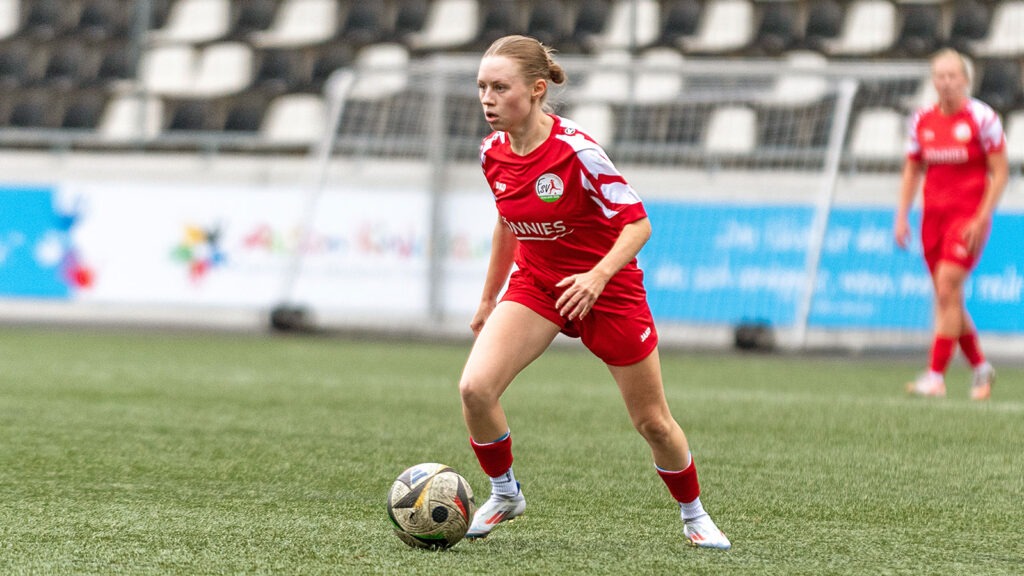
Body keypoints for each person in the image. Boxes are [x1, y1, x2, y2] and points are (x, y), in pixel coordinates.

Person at [458, 35, 730, 549]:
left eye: (500, 87)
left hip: (608, 291)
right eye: (481, 87)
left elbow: (638, 224)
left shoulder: (577, 152)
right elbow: (507, 222)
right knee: (475, 389)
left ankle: (694, 515)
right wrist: (489, 296)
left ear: (537, 90)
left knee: (652, 422)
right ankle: (505, 492)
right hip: (537, 285)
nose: (487, 99)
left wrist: (597, 276)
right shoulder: (492, 153)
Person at [895, 48, 1008, 400]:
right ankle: (980, 368)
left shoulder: (982, 118)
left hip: (968, 218)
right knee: (949, 299)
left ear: (965, 79)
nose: (945, 83)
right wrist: (901, 214)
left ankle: (935, 376)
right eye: (939, 77)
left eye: (952, 76)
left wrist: (982, 216)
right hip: (933, 219)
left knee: (946, 288)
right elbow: (913, 167)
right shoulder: (922, 121)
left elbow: (1000, 172)